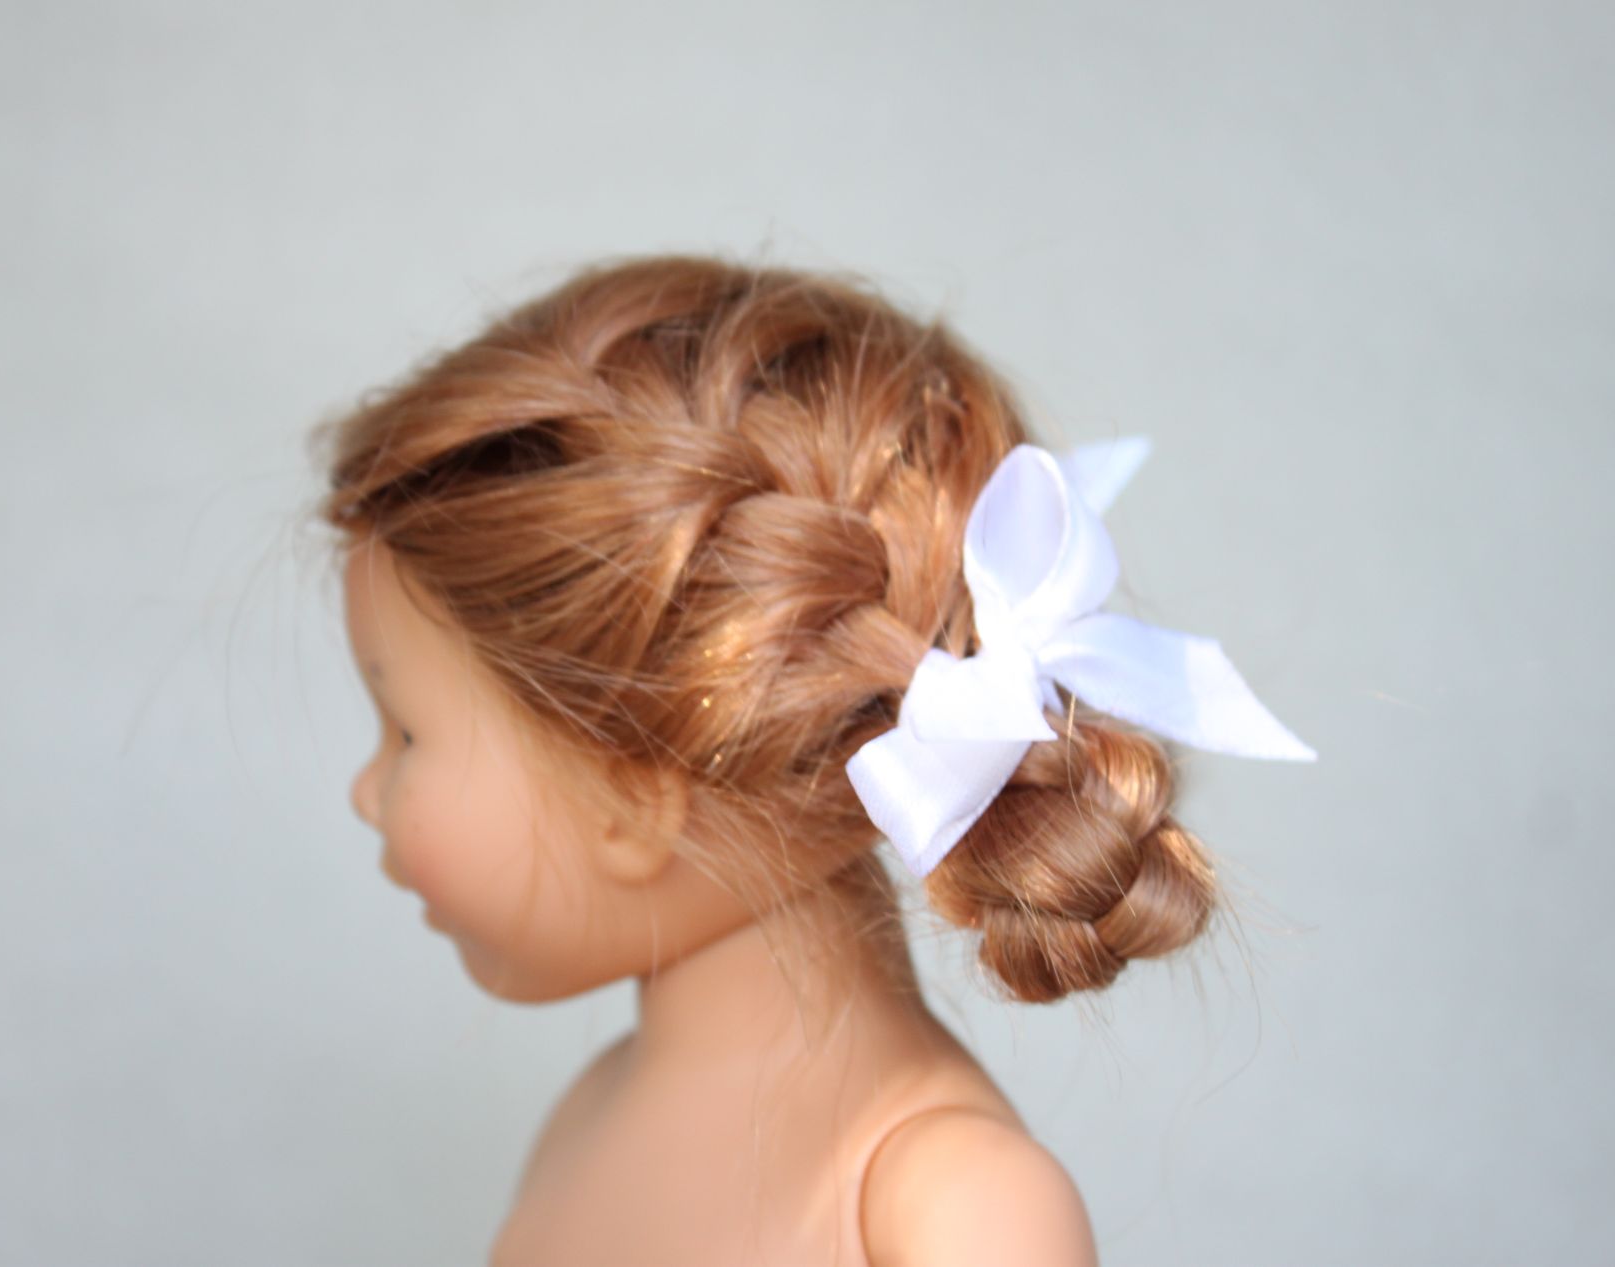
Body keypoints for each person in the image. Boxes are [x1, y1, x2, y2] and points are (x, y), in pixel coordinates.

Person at [309, 251, 1313, 1265]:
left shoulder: (953, 1216)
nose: (364, 791)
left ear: (632, 798)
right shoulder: (589, 1117)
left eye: (405, 731)